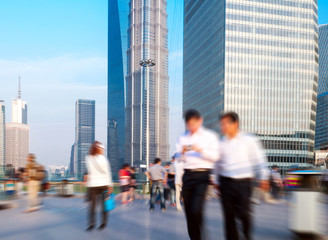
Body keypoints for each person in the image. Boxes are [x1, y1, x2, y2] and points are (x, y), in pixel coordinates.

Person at [215, 112, 269, 240]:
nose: (222, 126)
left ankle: (246, 235)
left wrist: (264, 177)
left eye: (225, 123)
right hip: (225, 182)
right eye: (221, 124)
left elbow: (259, 160)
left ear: (235, 124)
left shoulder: (248, 140)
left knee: (244, 214)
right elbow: (217, 165)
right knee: (229, 217)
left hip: (243, 183)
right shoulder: (221, 143)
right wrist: (216, 182)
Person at [175, 109, 220, 240]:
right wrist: (182, 152)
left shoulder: (209, 136)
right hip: (187, 176)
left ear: (200, 121)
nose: (192, 127)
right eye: (189, 125)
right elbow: (177, 159)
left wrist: (200, 149)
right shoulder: (182, 138)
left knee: (196, 209)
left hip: (202, 176)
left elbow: (215, 157)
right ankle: (195, 237)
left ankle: (200, 236)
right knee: (189, 212)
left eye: (194, 124)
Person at [85, 141, 113, 231]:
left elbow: (89, 171)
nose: (103, 150)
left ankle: (91, 224)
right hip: (104, 184)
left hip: (92, 184)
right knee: (104, 205)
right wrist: (110, 185)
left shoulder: (88, 158)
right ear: (99, 149)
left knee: (92, 206)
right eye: (102, 149)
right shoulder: (103, 159)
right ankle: (103, 223)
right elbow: (107, 172)